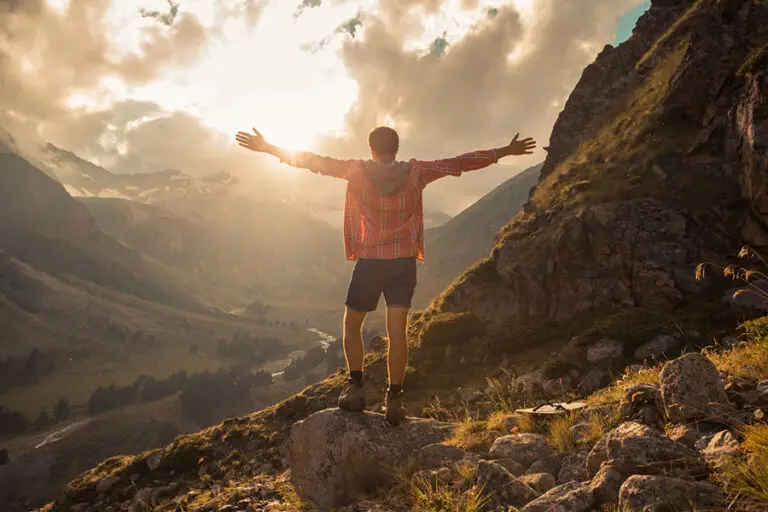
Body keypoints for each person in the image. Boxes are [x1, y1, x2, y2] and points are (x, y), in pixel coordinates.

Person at [235, 126, 536, 424]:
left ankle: (355, 388)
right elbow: (459, 163)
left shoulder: (355, 171)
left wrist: (269, 148)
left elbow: (313, 161)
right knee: (397, 333)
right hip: (403, 263)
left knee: (352, 324)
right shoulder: (417, 172)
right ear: (397, 148)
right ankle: (394, 399)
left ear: (371, 149)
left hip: (370, 262)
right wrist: (503, 152)